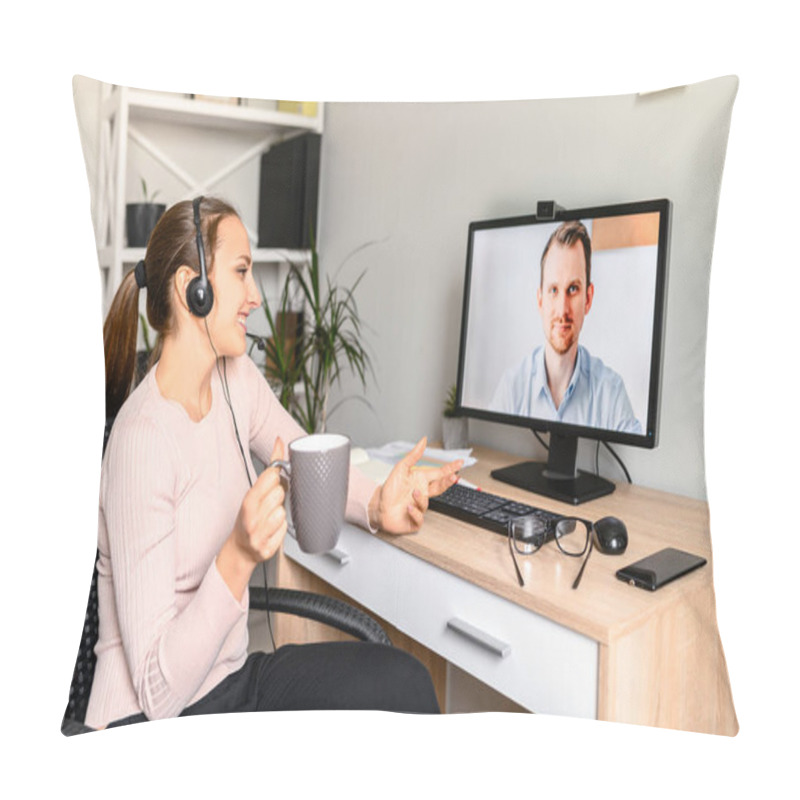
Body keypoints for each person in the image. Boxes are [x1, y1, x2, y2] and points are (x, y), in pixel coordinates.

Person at [85, 196, 462, 730]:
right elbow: (156, 692)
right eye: (241, 272)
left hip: (232, 685)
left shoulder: (236, 380)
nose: (256, 297)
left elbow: (305, 456)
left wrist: (378, 504)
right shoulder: (142, 439)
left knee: (405, 683)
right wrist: (238, 555)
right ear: (192, 287)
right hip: (147, 725)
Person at [490, 220, 641, 434]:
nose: (562, 310)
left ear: (588, 299)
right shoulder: (512, 388)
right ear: (540, 300)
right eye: (553, 290)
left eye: (572, 289)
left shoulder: (611, 392)